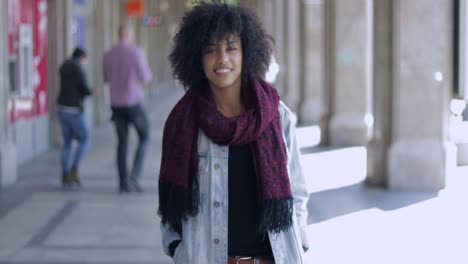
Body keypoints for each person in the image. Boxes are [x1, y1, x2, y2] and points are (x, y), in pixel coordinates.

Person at [158, 3, 309, 263]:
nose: (222, 59)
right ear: (198, 58)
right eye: (211, 50)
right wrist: (177, 248)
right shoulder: (184, 121)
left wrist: (300, 241)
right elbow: (171, 203)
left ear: (246, 53)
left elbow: (296, 190)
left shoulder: (276, 115)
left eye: (231, 48)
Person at [103, 24, 152, 193]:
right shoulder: (136, 52)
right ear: (129, 35)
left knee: (122, 143)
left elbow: (106, 78)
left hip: (116, 105)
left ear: (118, 34)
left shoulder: (108, 54)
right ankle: (134, 176)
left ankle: (122, 183)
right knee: (144, 137)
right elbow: (146, 78)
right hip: (134, 103)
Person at [57, 47, 92, 189]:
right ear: (81, 58)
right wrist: (91, 92)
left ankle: (65, 174)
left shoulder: (63, 67)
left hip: (61, 108)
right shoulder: (78, 68)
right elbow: (84, 89)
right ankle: (74, 169)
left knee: (67, 143)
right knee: (85, 138)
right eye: (85, 60)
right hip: (74, 110)